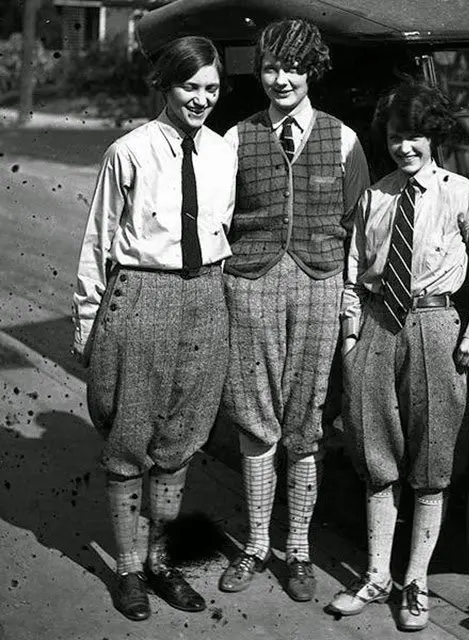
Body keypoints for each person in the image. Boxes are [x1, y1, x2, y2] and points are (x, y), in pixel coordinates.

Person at [328, 81, 469, 631]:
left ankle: (415, 584)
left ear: (436, 137)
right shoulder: (376, 196)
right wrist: (353, 342)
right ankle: (377, 574)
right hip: (379, 327)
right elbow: (353, 275)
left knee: (431, 464)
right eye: (398, 137)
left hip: (435, 327)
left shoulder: (461, 194)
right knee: (377, 457)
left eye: (416, 136)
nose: (406, 147)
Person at [72, 36, 236, 621]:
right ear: (165, 85)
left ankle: (160, 562)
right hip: (142, 296)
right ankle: (127, 570)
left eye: (211, 88)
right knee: (129, 440)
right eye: (190, 86)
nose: (200, 99)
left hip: (205, 298)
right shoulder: (129, 152)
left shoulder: (224, 152)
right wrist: (88, 318)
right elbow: (98, 240)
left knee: (181, 441)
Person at [217, 18, 370, 602]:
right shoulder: (236, 137)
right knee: (256, 418)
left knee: (305, 422)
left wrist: (350, 301)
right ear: (259, 72)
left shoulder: (344, 138)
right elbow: (217, 219)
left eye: (294, 68)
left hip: (320, 285)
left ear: (313, 72)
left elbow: (358, 226)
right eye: (272, 68)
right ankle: (257, 544)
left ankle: (299, 550)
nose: (282, 79)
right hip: (250, 285)